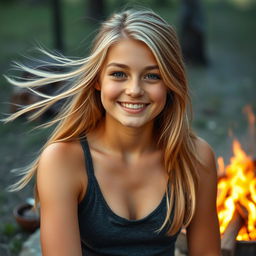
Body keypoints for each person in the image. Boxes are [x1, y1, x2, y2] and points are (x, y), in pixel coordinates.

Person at [4, 8, 221, 256]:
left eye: (152, 76)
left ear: (170, 83)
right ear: (98, 80)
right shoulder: (63, 161)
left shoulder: (196, 157)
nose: (134, 90)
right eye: (119, 74)